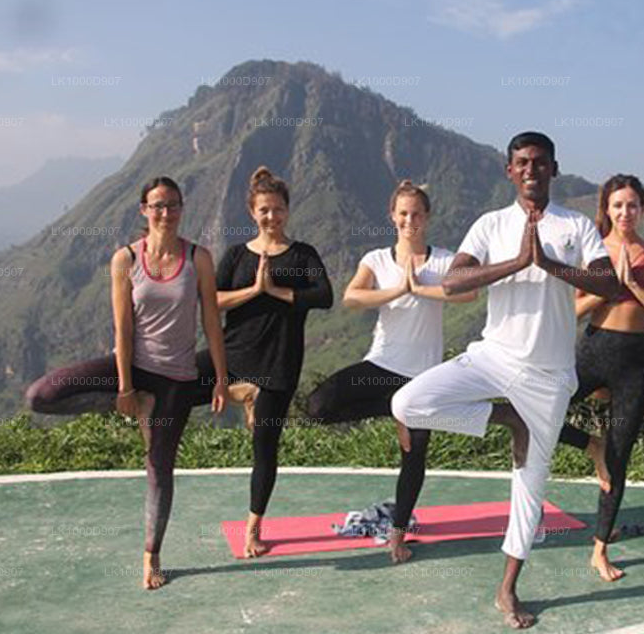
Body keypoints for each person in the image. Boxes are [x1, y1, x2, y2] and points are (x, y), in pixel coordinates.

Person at [391, 131, 619, 628]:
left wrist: (551, 265)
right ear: (509, 171)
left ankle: (508, 590)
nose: (531, 169)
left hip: (550, 376)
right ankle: (504, 417)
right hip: (493, 356)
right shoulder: (491, 225)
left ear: (554, 169)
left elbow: (611, 285)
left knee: (530, 487)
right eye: (522, 162)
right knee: (407, 404)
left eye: (540, 162)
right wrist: (517, 262)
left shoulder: (576, 226)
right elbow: (452, 281)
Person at [25, 176, 230, 589]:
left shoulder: (198, 259)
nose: (166, 213)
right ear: (143, 210)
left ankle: (151, 555)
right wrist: (125, 390)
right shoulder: (126, 259)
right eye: (157, 206)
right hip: (134, 367)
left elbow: (211, 320)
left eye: (173, 205)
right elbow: (122, 327)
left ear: (182, 208)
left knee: (159, 467)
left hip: (178, 377)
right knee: (41, 396)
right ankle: (140, 407)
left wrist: (221, 380)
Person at [305, 179, 476, 563]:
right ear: (392, 216)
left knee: (414, 459)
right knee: (319, 405)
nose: (409, 220)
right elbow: (352, 297)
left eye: (416, 214)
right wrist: (398, 290)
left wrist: (422, 290)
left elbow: (469, 293)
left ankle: (397, 537)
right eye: (403, 213)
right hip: (381, 366)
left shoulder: (445, 260)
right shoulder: (376, 259)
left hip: (424, 379)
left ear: (427, 217)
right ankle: (393, 407)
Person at [197, 167, 333, 557]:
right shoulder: (237, 255)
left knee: (265, 445)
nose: (271, 217)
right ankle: (241, 392)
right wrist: (254, 290)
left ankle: (254, 527)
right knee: (179, 378)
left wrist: (276, 290)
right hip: (234, 352)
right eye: (263, 210)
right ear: (251, 212)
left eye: (277, 209)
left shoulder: (303, 254)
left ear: (287, 210)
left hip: (278, 362)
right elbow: (213, 299)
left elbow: (324, 296)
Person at [556, 174, 644, 581]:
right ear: (606, 209)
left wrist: (633, 287)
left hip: (635, 360)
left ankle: (600, 549)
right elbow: (571, 311)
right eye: (617, 205)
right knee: (538, 410)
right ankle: (589, 444)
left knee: (620, 455)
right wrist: (610, 287)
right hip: (593, 350)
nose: (625, 212)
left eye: (632, 205)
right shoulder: (594, 252)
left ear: (643, 208)